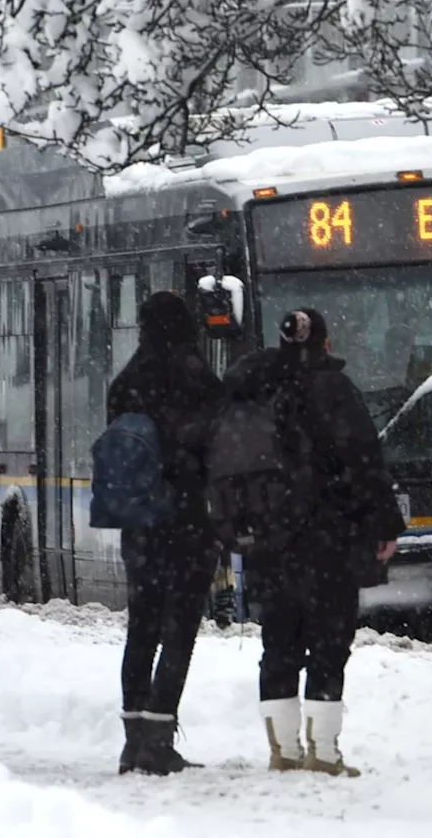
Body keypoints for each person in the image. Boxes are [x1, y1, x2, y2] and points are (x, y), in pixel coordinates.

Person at [221, 308, 405, 777]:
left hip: (267, 540)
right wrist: (385, 526)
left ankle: (281, 750)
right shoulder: (336, 391)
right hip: (330, 540)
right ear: (325, 344)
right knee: (328, 643)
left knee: (279, 643)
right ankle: (323, 753)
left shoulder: (255, 389)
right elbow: (365, 462)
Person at [105, 290, 224, 776]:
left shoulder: (126, 381)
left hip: (139, 524)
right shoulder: (198, 379)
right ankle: (159, 735)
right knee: (179, 632)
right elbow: (217, 444)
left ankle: (133, 739)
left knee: (142, 628)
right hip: (189, 522)